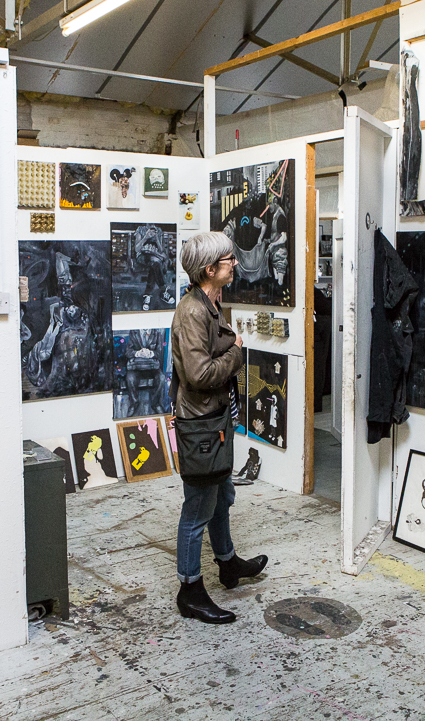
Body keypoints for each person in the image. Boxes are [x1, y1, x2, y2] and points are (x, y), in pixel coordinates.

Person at [171, 231, 268, 624]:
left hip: (215, 420)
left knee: (222, 495)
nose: (234, 264)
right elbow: (198, 373)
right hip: (201, 425)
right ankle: (190, 590)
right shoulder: (192, 311)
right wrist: (238, 352)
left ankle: (227, 564)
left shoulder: (211, 302)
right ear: (210, 269)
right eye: (228, 260)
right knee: (197, 509)